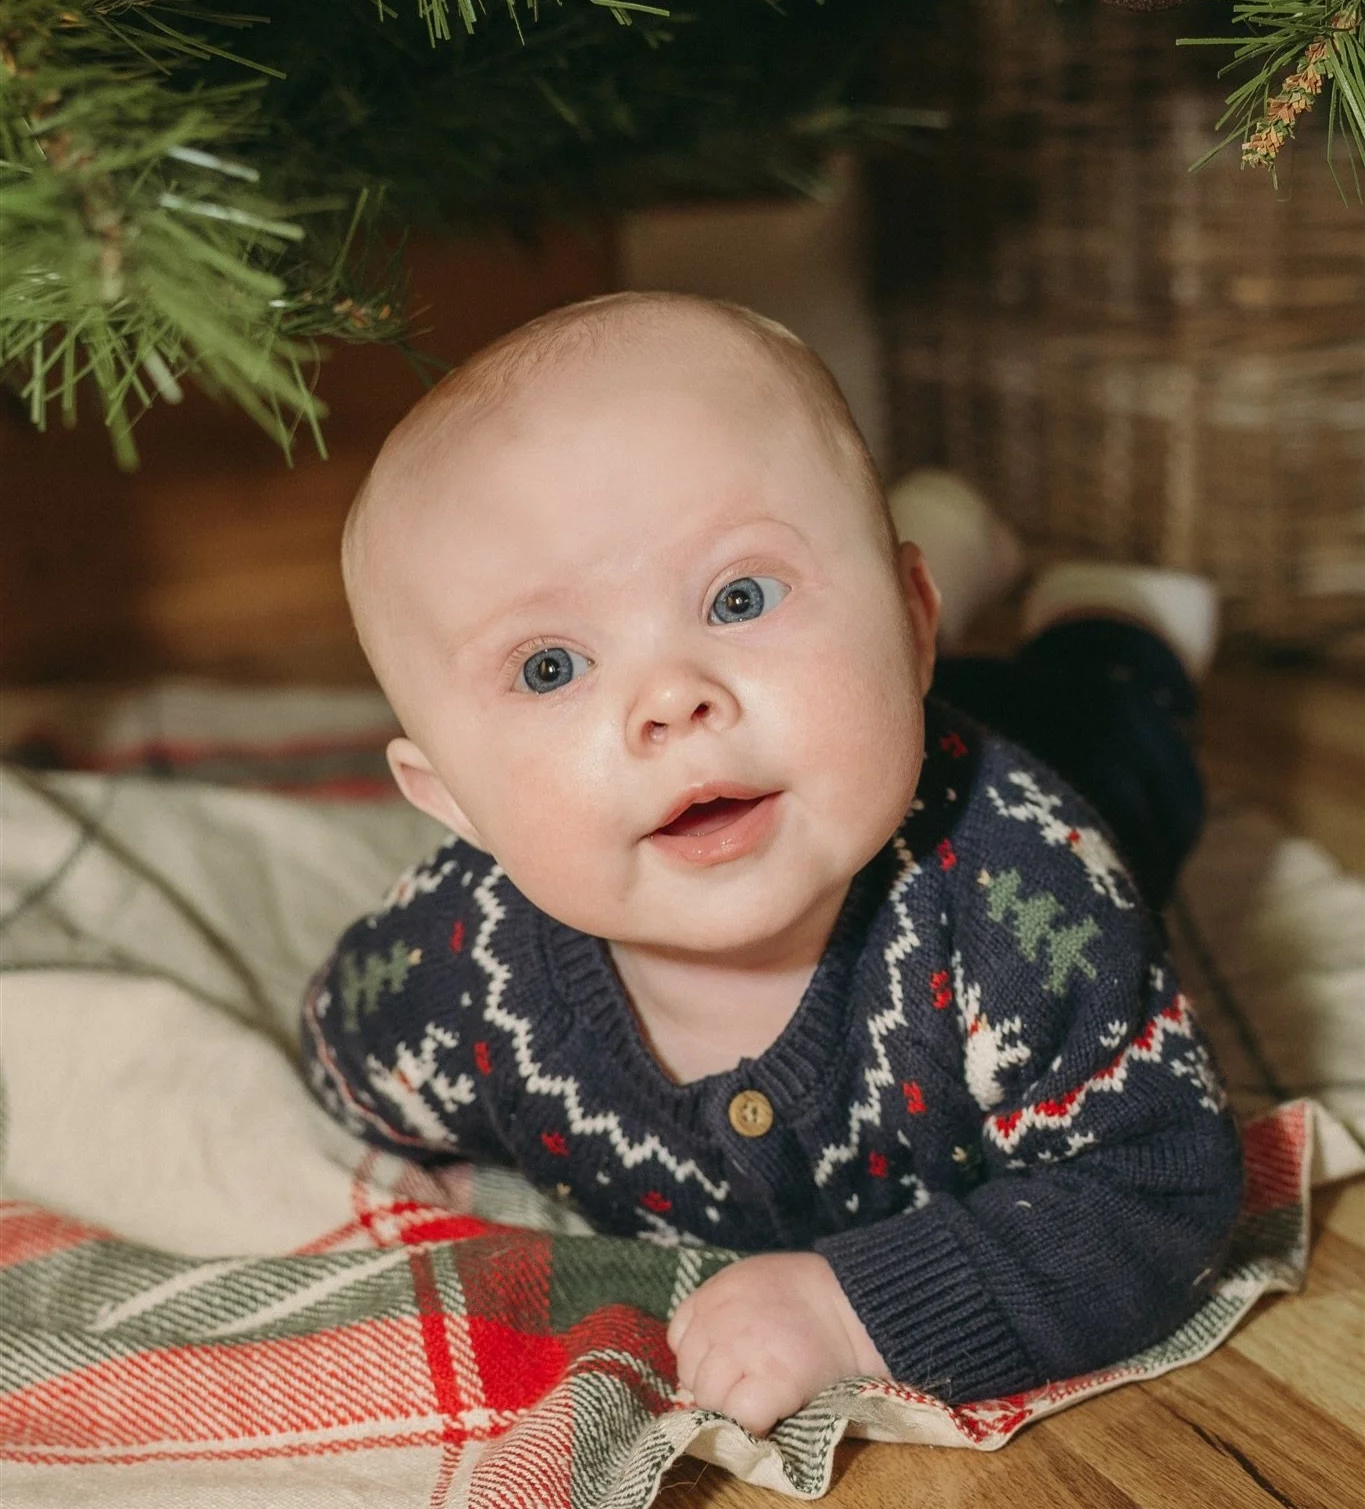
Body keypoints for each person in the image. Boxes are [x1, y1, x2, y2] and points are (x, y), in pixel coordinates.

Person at [300, 291, 1242, 1436]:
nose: (671, 697)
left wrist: (856, 1311)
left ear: (908, 617)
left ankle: (1114, 617)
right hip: (852, 718)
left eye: (738, 597)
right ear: (450, 799)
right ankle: (932, 536)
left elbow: (1160, 1180)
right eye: (550, 667)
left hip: (1048, 749)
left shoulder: (1023, 887)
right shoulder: (457, 968)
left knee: (1119, 723)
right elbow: (341, 1050)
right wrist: (411, 1156)